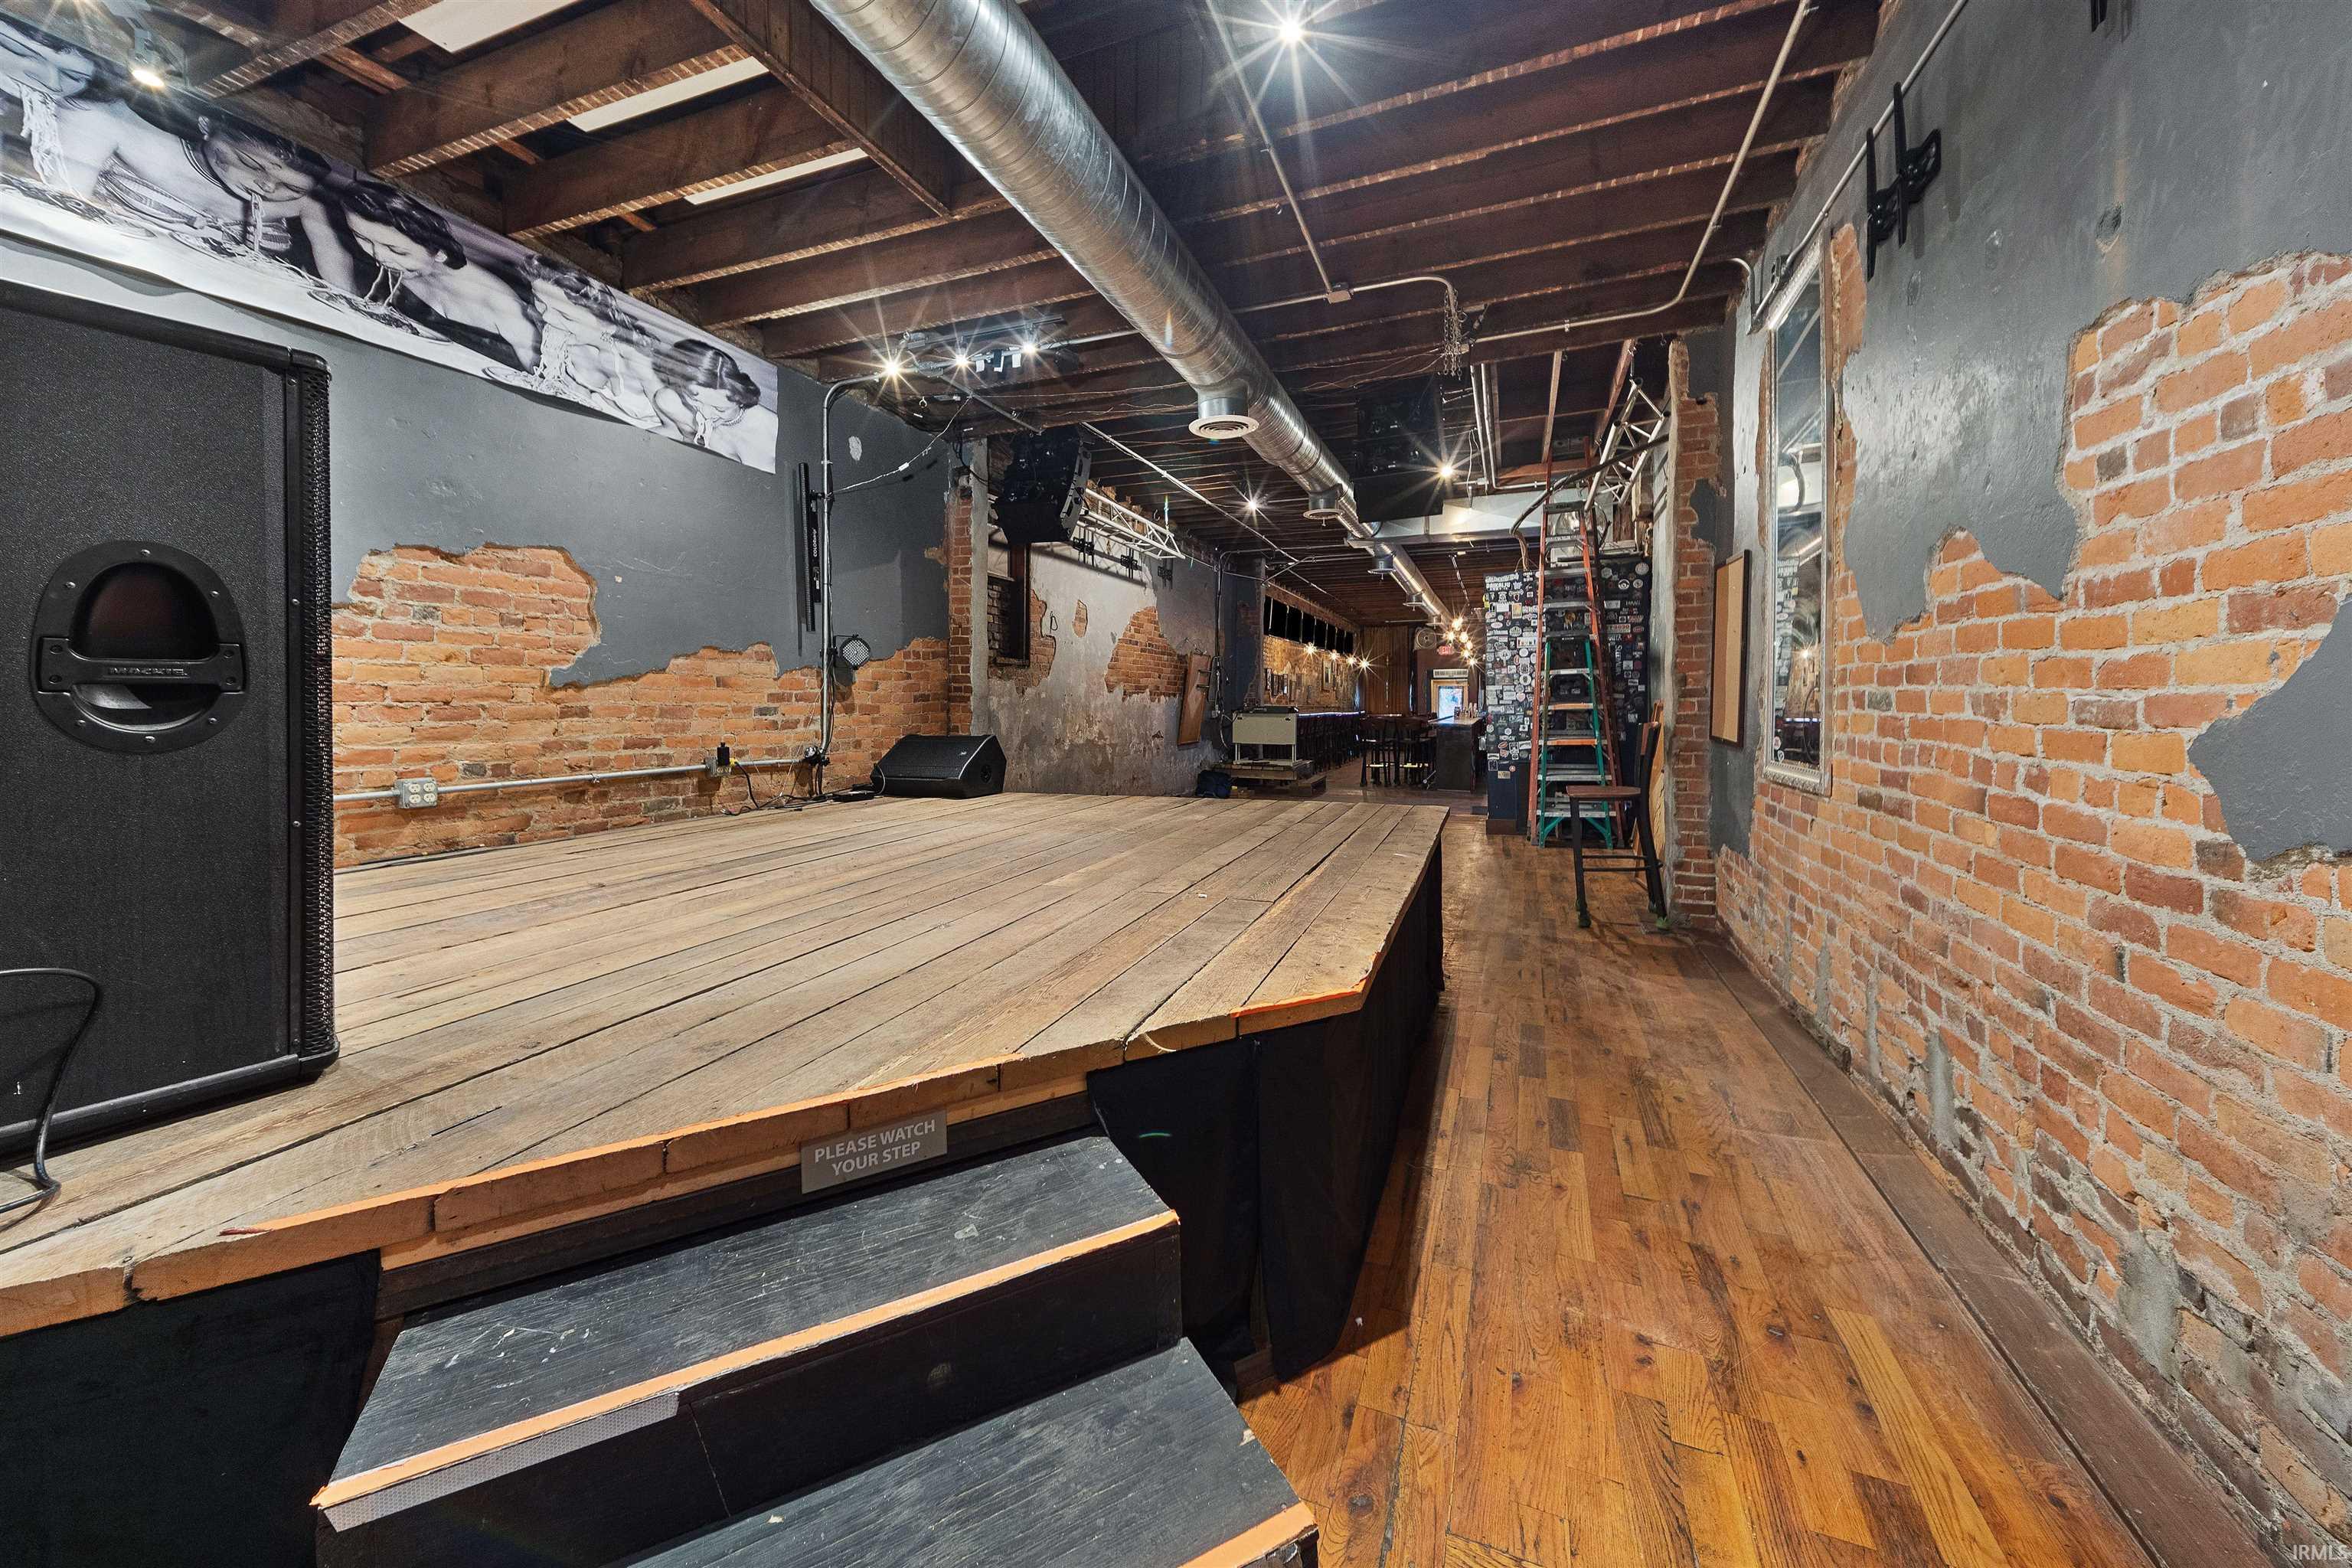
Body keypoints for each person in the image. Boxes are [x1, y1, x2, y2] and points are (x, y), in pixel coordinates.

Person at [338, 181, 541, 374]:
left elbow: (543, 383)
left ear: (440, 253)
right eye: (363, 239)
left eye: (396, 250)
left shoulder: (502, 304)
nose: (378, 256)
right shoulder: (401, 267)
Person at [513, 255, 666, 427]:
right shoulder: (566, 346)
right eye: (541, 303)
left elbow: (678, 432)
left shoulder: (635, 360)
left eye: (565, 316)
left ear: (605, 324)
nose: (547, 317)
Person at [653, 341, 777, 465]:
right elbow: (672, 430)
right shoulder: (674, 403)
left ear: (740, 398)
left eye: (720, 409)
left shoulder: (770, 429)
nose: (706, 415)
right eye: (696, 400)